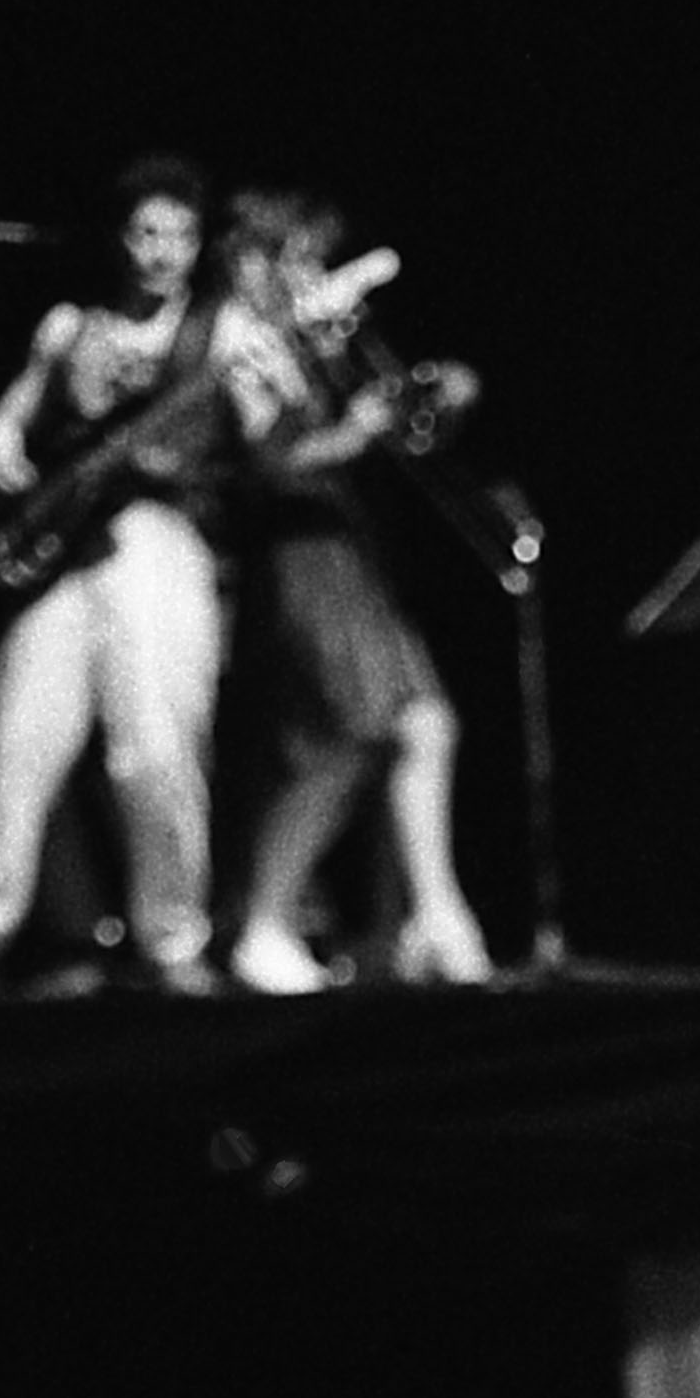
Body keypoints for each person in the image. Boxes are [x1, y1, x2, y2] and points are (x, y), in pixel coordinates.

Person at [0, 154, 284, 998]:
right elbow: (5, 424)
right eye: (146, 233)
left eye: (179, 236)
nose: (161, 252)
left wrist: (270, 392)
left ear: (198, 245)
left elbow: (265, 439)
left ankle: (173, 939)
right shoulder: (71, 326)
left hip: (159, 543)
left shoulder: (224, 330)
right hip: (63, 557)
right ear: (121, 239)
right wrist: (1, 450)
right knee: (20, 742)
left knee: (157, 748)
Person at [214, 187, 495, 995]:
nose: (312, 276)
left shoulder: (305, 338)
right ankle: (264, 922)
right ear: (254, 261)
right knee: (350, 730)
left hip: (346, 548)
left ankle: (436, 918)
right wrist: (355, 430)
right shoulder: (237, 335)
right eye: (298, 258)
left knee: (427, 725)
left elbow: (379, 420)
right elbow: (268, 465)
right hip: (293, 551)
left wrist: (428, 394)